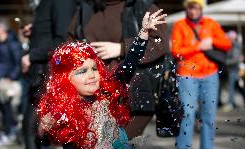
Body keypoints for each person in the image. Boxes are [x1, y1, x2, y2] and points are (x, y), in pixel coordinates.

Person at [38, 10, 169, 149]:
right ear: (65, 80)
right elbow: (71, 147)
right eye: (82, 71)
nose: (91, 75)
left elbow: (128, 66)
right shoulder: (68, 111)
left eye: (94, 69)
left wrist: (143, 34)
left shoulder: (106, 93)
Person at [67, 0, 169, 139]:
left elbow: (160, 44)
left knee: (120, 148)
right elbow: (69, 43)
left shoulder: (143, 7)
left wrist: (121, 48)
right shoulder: (86, 9)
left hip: (134, 95)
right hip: (94, 94)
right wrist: (83, 53)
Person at [20, 0, 77, 149]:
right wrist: (34, 32)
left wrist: (32, 55)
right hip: (40, 76)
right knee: (30, 127)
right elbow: (49, 34)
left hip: (50, 76)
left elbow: (62, 40)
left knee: (37, 128)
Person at [171, 0, 232, 149]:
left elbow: (226, 44)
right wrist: (198, 45)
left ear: (201, 8)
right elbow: (176, 51)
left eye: (196, 6)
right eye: (190, 7)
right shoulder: (180, 25)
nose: (193, 10)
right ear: (186, 8)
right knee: (188, 114)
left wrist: (211, 40)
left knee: (209, 116)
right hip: (187, 75)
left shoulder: (211, 24)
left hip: (210, 75)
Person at [0, 18, 22, 145]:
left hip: (8, 81)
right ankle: (10, 131)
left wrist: (11, 76)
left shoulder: (12, 43)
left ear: (2, 28)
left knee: (9, 109)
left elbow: (18, 62)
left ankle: (11, 131)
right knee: (2, 108)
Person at [222, 30, 245, 111]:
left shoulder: (235, 47)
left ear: (231, 38)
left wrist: (224, 62)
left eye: (228, 38)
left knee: (232, 87)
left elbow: (235, 59)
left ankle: (230, 103)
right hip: (233, 70)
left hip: (234, 70)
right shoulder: (233, 46)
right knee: (238, 87)